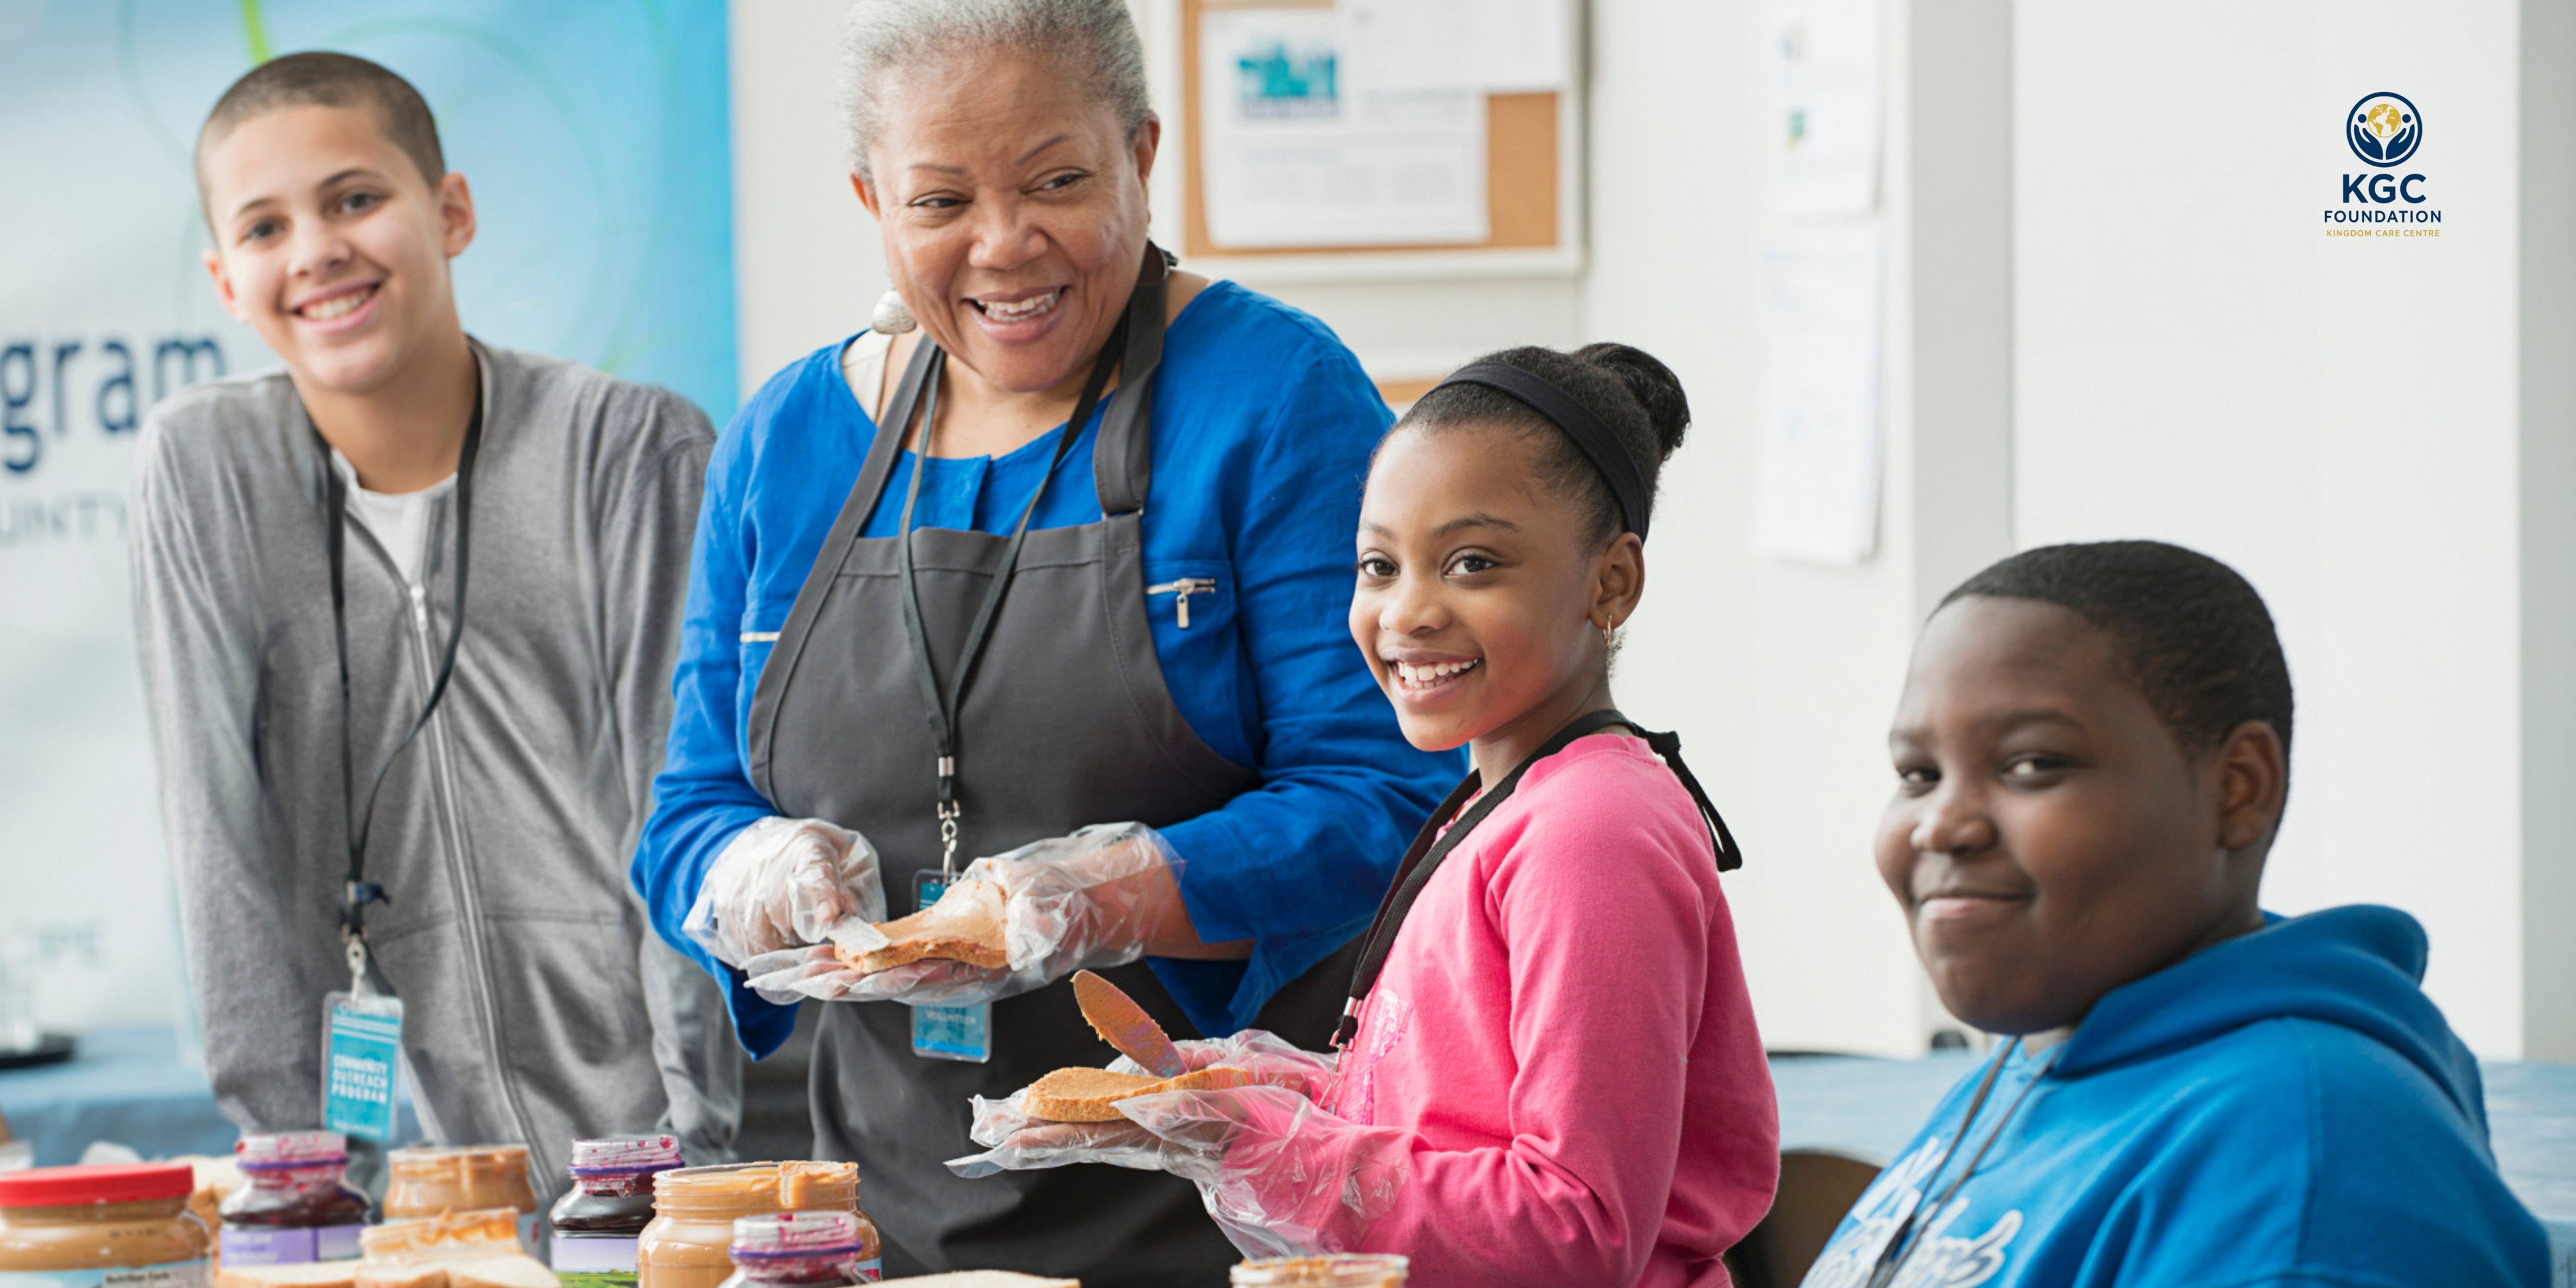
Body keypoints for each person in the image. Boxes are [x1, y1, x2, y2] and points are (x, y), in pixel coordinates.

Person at [627, 1, 1458, 1282]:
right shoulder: (786, 442)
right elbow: (685, 810)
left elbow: (1393, 793)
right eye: (940, 200)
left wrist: (1115, 896)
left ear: (1142, 152)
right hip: (876, 1221)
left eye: (1057, 181)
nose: (1004, 245)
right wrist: (751, 873)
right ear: (871, 200)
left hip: (1225, 1212)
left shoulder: (1270, 397)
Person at [956, 344, 1782, 1288]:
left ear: (1611, 584)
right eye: (1379, 565)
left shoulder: (1590, 833)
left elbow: (1578, 1233)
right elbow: (1446, 1114)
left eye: (1472, 564)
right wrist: (1260, 1089)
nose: (1408, 612)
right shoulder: (1492, 802)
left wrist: (1259, 1143)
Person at [133, 51, 742, 1183]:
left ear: (449, 210)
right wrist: (302, 1177)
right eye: (265, 229)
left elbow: (686, 812)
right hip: (404, 1201)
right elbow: (212, 836)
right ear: (226, 280)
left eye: (355, 198)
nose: (315, 249)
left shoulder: (624, 448)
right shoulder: (206, 470)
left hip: (668, 1169)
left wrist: (690, 1172)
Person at [1798, 541, 2548, 1287]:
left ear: (2238, 788)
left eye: (2033, 764)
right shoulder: (2035, 1060)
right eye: (1918, 774)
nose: (1940, 825)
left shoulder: (2300, 1165)